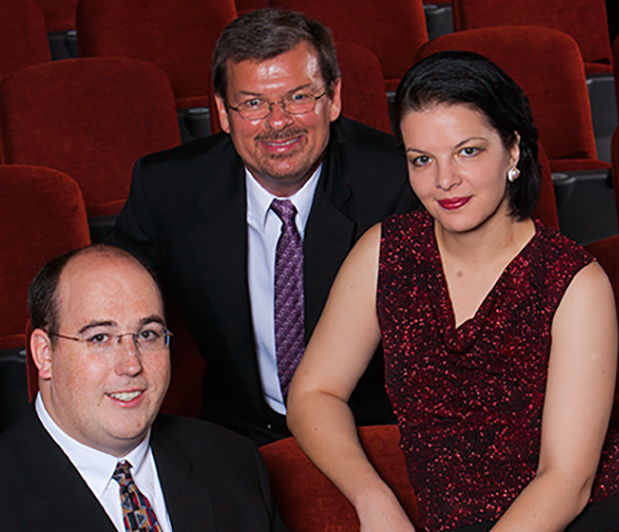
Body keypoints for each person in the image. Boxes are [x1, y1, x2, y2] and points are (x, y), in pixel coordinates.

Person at [286, 51, 619, 532]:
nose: (444, 180)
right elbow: (314, 392)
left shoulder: (575, 280)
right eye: (422, 160)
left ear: (513, 150)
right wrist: (372, 499)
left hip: (583, 518)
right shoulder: (385, 253)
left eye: (467, 151)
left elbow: (567, 480)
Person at [113, 8, 418, 445]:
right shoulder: (167, 190)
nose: (278, 122)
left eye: (299, 97)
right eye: (254, 103)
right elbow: (106, 305)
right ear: (223, 111)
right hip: (238, 437)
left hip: (373, 431)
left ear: (333, 97)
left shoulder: (398, 183)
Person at [0, 245, 286, 532]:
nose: (131, 364)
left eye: (148, 334)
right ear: (44, 354)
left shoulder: (233, 463)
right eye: (100, 337)